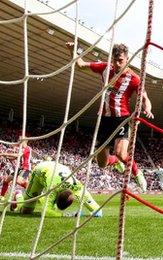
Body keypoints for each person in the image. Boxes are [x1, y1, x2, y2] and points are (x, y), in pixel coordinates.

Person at [66, 42, 153, 193]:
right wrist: (72, 50)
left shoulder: (134, 78)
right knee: (101, 163)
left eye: (120, 61)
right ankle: (116, 162)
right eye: (115, 60)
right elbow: (80, 65)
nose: (117, 64)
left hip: (122, 119)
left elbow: (145, 98)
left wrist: (147, 109)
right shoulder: (106, 68)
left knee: (121, 153)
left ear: (127, 60)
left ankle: (137, 173)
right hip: (104, 120)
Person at [18, 161, 102, 218]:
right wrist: (66, 215)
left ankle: (37, 197)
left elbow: (98, 211)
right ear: (56, 196)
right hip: (40, 170)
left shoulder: (78, 188)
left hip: (59, 168)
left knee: (50, 206)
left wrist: (94, 213)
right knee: (26, 211)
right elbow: (46, 212)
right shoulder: (53, 189)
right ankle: (18, 195)